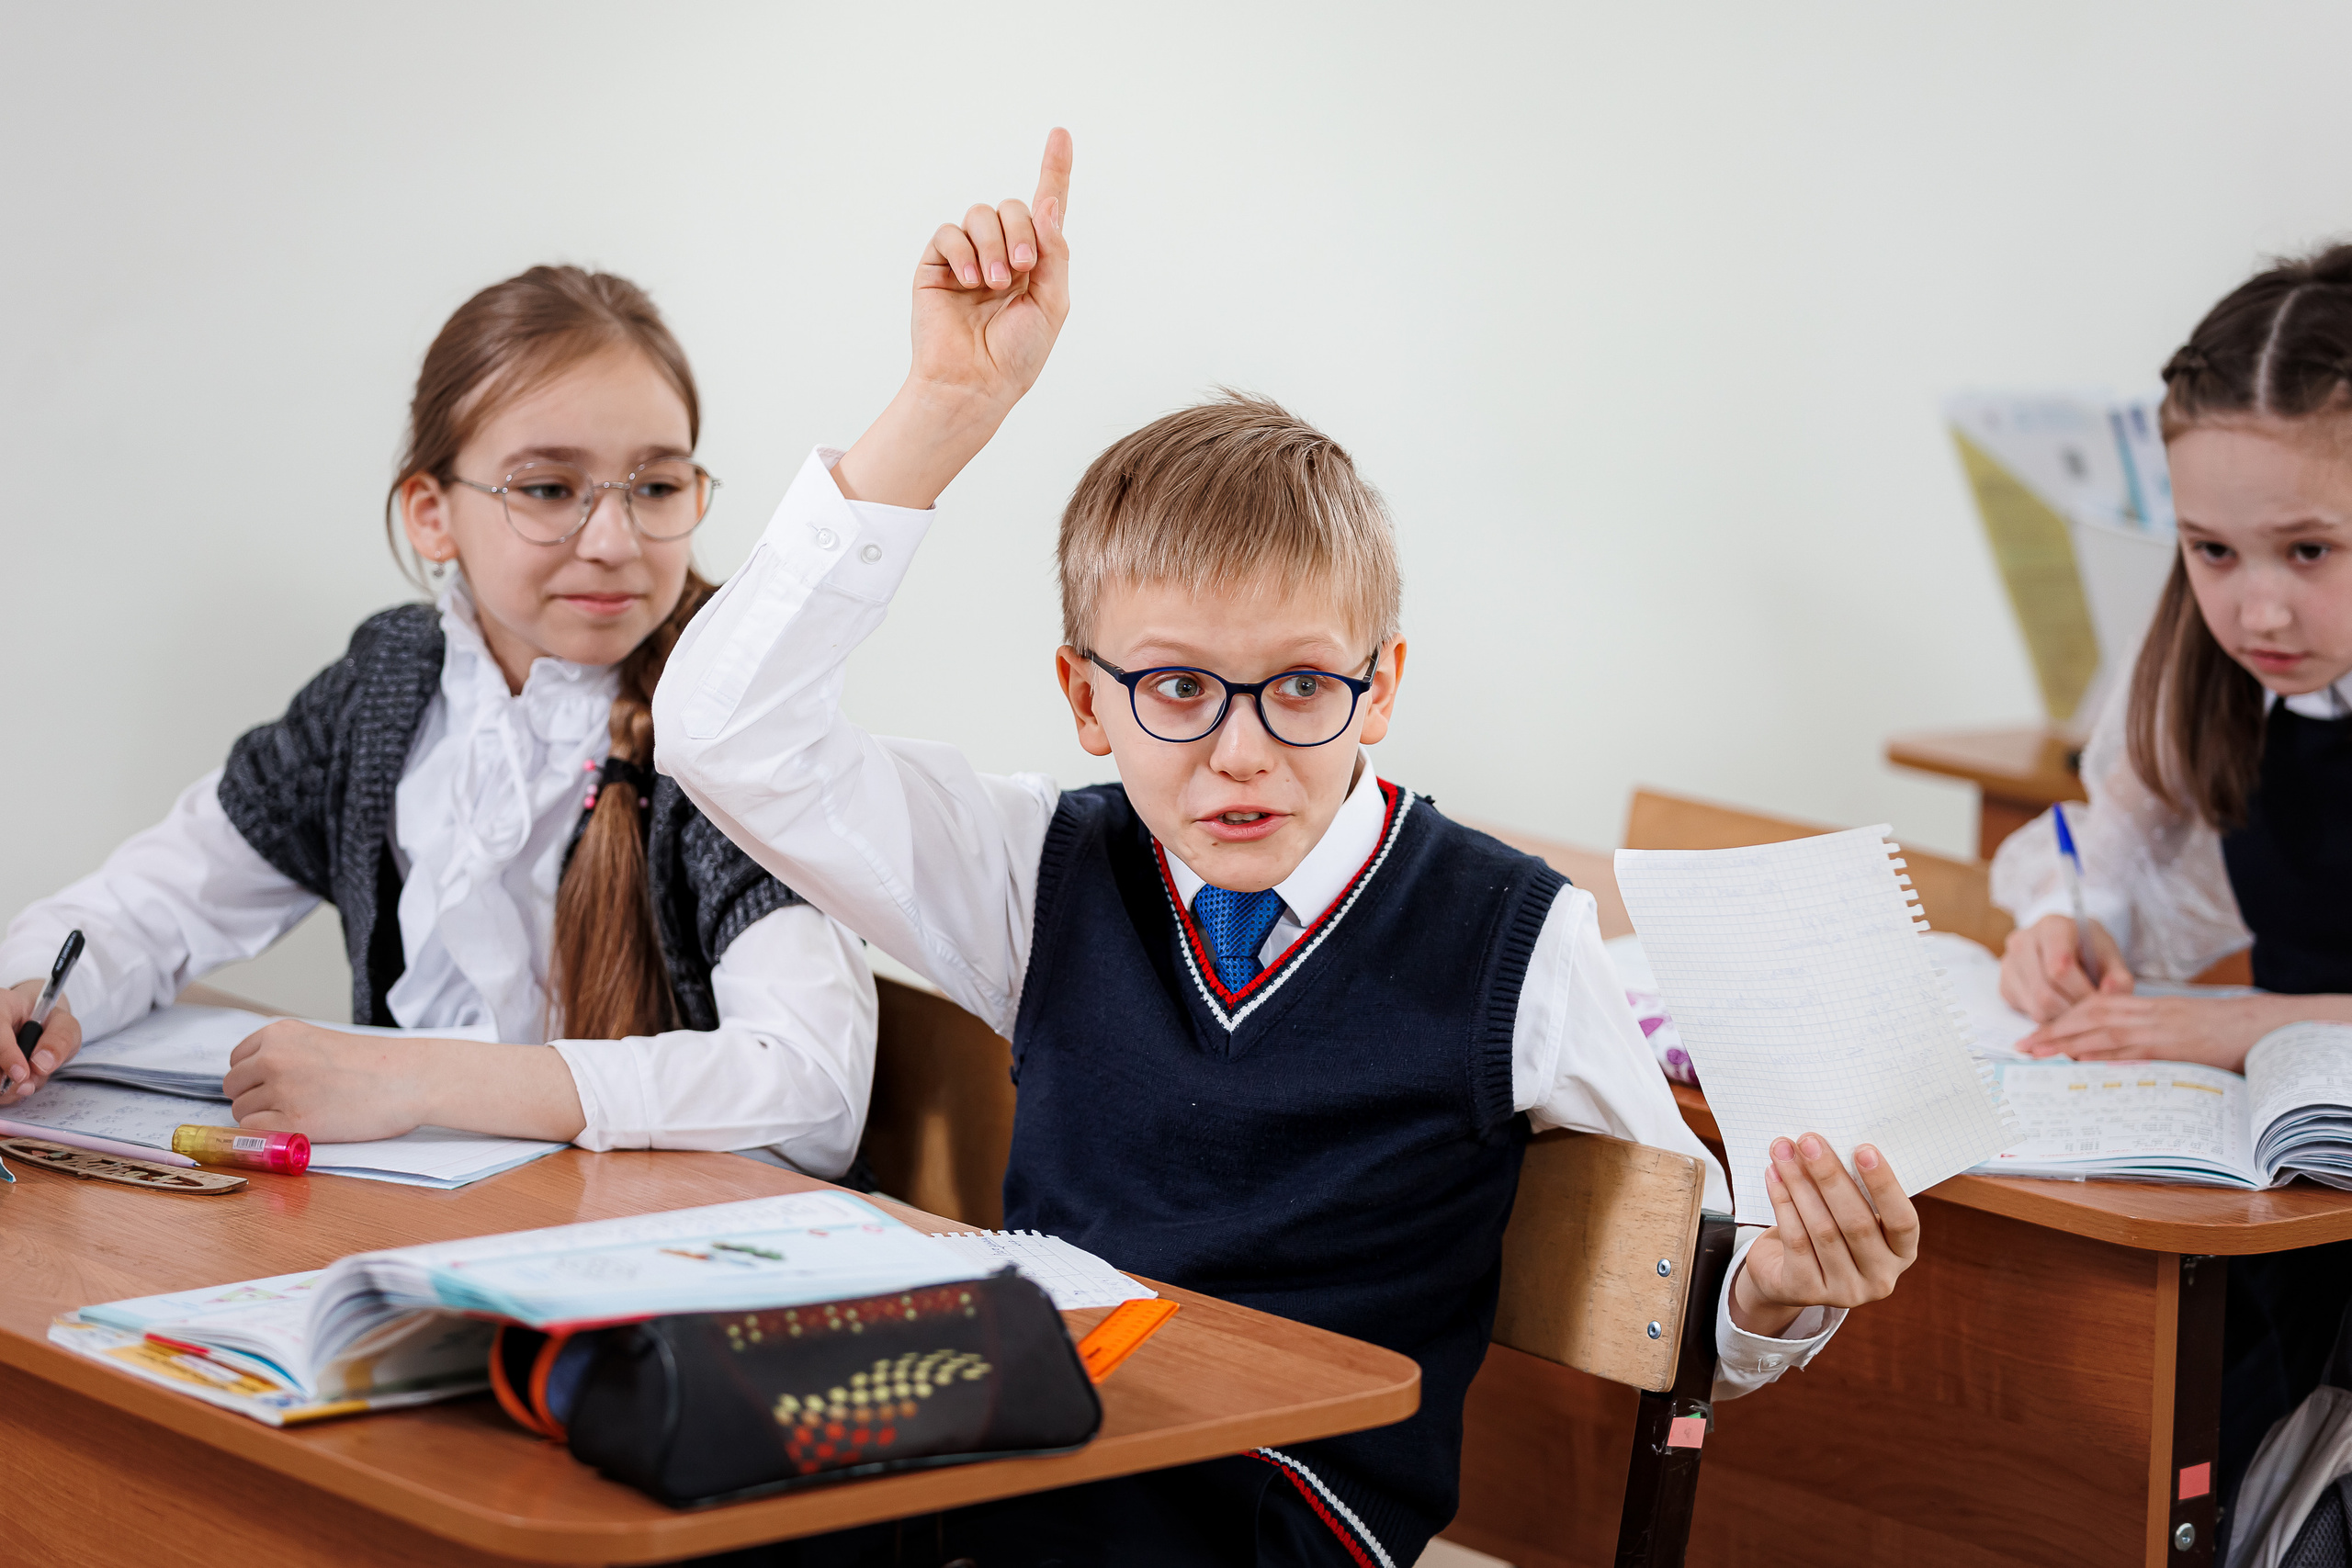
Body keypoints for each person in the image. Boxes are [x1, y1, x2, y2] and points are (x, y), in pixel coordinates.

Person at [656, 130, 1920, 1567]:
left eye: (1302, 686)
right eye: (1178, 687)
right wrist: (947, 405)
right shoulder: (1037, 869)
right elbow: (722, 729)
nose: (1241, 748)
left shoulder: (1513, 936)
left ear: (1380, 685)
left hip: (1277, 1510)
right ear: (1086, 699)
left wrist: (1781, 1294)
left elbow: (1687, 1294)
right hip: (1037, 1446)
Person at [0, 265, 876, 1175]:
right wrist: (36, 990)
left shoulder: (737, 723)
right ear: (432, 514)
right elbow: (156, 906)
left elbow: (815, 1091)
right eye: (547, 489)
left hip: (667, 1256)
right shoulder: (386, 689)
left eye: (655, 488)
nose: (613, 541)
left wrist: (421, 1079)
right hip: (420, 1223)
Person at [1991, 243, 2352, 1542]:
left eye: (2309, 548)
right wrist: (2065, 924)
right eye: (2210, 548)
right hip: (2312, 1192)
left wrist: (2252, 1022)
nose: (2255, 601)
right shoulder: (2221, 675)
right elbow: (2123, 851)